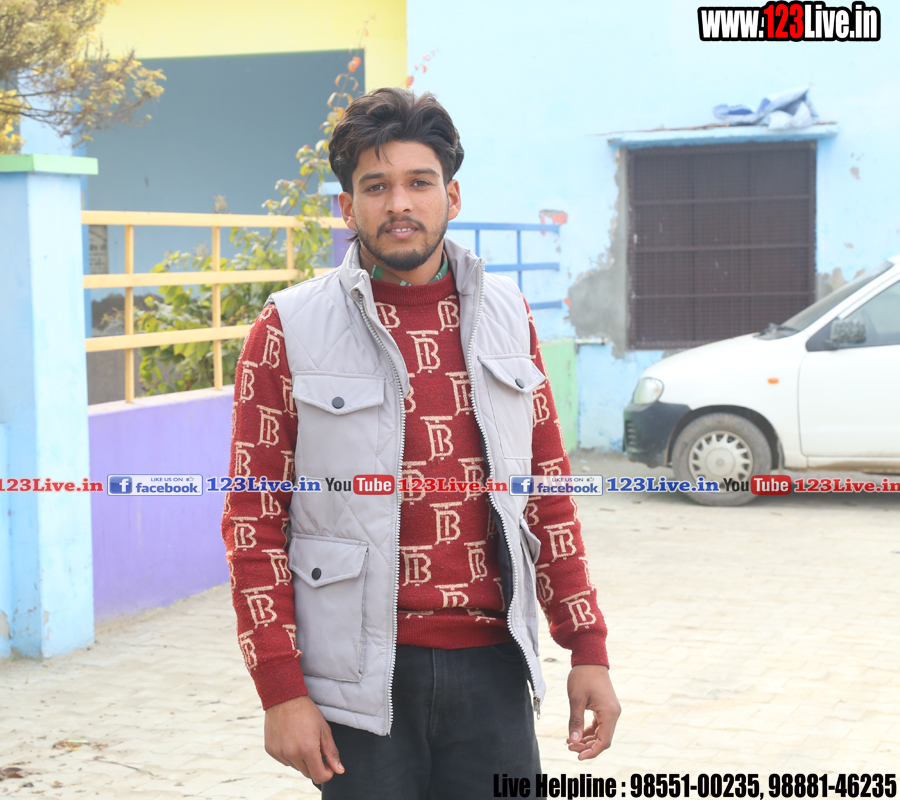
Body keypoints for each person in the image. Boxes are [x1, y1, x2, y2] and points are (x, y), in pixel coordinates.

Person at [221, 87, 620, 799]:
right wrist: (279, 689)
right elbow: (253, 521)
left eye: (418, 182)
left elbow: (546, 495)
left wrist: (586, 645)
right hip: (361, 684)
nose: (398, 204)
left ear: (452, 196)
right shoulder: (288, 329)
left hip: (495, 670)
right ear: (348, 206)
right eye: (376, 186)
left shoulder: (508, 316)